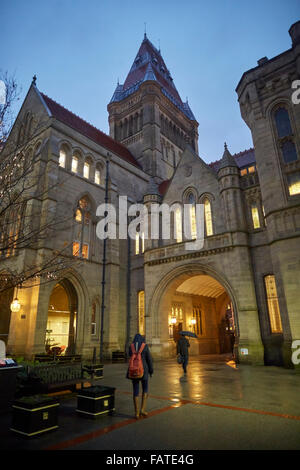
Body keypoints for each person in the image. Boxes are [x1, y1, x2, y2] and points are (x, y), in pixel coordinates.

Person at [126, 333, 153, 419]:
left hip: (134, 371)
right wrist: (151, 370)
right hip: (143, 370)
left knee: (135, 390)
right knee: (145, 388)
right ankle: (142, 409)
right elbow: (149, 359)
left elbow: (129, 356)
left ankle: (136, 412)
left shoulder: (131, 346)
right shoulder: (144, 346)